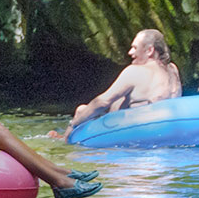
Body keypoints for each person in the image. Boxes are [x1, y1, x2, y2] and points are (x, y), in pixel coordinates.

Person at [51, 29, 182, 139]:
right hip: (170, 129)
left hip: (137, 132)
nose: (130, 52)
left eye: (134, 48)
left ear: (149, 50)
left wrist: (73, 124)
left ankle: (66, 139)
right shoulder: (172, 69)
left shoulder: (135, 71)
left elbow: (102, 102)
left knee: (81, 110)